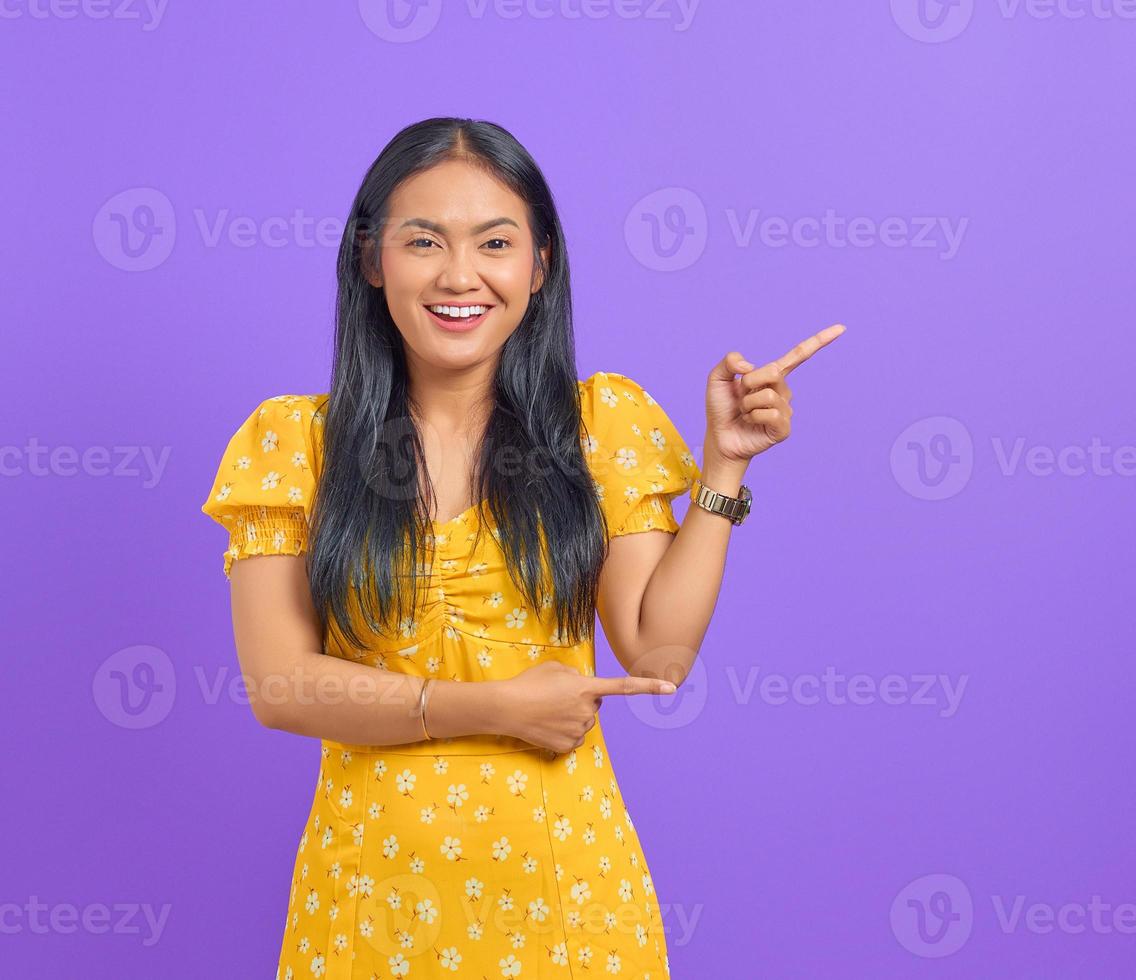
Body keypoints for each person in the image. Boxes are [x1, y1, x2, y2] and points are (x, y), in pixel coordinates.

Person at [200, 116, 843, 978]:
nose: (459, 276)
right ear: (370, 260)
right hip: (367, 904)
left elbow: (658, 653)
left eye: (495, 243)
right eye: (423, 240)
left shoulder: (598, 427)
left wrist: (723, 467)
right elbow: (282, 688)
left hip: (570, 899)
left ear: (539, 267)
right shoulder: (296, 445)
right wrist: (494, 709)